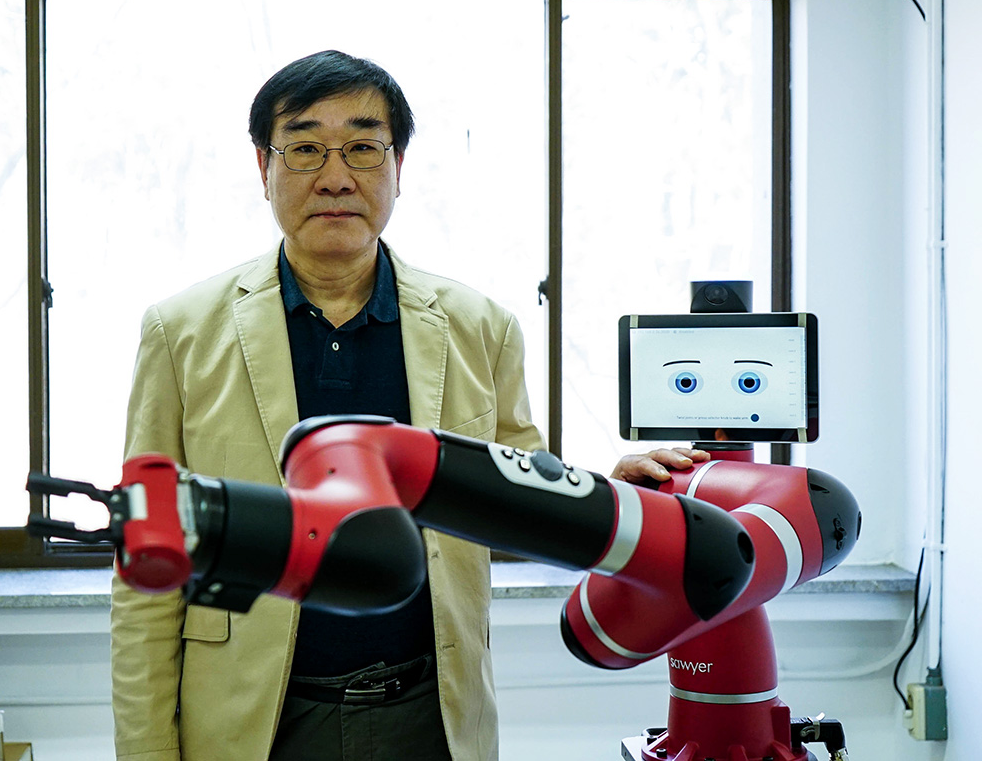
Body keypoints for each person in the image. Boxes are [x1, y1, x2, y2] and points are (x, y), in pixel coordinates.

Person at [110, 49, 706, 761]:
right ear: (263, 167)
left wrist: (613, 496)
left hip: (431, 716)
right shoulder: (181, 333)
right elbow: (144, 563)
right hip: (251, 725)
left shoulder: (478, 328)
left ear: (399, 166)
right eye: (305, 148)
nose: (335, 177)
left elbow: (519, 500)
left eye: (363, 148)